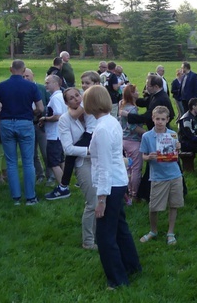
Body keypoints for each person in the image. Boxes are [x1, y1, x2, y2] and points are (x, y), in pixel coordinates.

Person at [83, 85, 141, 289]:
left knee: (105, 235)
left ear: (90, 104)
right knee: (119, 227)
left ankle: (117, 279)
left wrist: (101, 199)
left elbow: (105, 167)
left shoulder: (103, 128)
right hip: (117, 181)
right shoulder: (110, 122)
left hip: (111, 185)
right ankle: (132, 265)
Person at [0, 60, 44, 205]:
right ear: (24, 70)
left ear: (10, 69)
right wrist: (30, 113)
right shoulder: (31, 86)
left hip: (6, 123)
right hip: (25, 122)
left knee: (11, 161)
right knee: (28, 161)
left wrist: (3, 114)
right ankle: (30, 197)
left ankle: (15, 198)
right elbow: (40, 107)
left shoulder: (1, 86)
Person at [49, 71, 101, 200]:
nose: (84, 86)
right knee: (71, 155)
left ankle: (64, 186)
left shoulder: (89, 98)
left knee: (71, 155)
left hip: (94, 133)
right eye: (82, 83)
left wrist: (73, 108)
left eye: (87, 83)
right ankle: (64, 185)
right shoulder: (89, 97)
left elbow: (73, 115)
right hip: (90, 135)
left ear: (96, 84)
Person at [58, 87, 97, 250]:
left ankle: (100, 234)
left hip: (100, 161)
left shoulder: (90, 112)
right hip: (83, 163)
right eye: (71, 98)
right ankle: (88, 241)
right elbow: (68, 149)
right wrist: (89, 151)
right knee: (92, 202)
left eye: (77, 95)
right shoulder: (65, 120)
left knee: (104, 199)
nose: (76, 99)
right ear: (66, 103)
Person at [139, 105, 184, 245]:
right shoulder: (147, 136)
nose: (159, 122)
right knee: (154, 207)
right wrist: (149, 157)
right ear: (152, 118)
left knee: (174, 204)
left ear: (167, 120)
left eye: (162, 119)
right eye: (157, 119)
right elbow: (143, 156)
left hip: (175, 174)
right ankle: (153, 230)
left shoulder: (172, 134)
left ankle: (171, 232)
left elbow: (176, 155)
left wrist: (178, 148)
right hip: (158, 176)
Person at [40, 75, 67, 200]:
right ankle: (64, 182)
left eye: (48, 82)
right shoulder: (61, 96)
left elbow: (57, 116)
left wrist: (44, 118)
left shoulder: (56, 98)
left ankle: (63, 188)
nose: (45, 85)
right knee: (61, 160)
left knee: (54, 162)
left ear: (56, 83)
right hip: (60, 134)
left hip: (54, 135)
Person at [23, 68, 52, 185]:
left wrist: (40, 112)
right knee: (32, 153)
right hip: (27, 124)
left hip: (41, 124)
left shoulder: (41, 88)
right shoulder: (21, 90)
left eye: (27, 76)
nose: (25, 78)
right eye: (23, 76)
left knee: (45, 151)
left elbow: (50, 105)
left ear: (32, 75)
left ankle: (51, 175)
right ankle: (39, 175)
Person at [119, 85, 146, 199]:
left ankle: (128, 191)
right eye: (136, 91)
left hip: (124, 140)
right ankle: (134, 193)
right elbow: (133, 127)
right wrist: (146, 133)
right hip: (134, 141)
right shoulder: (133, 109)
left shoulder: (123, 105)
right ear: (132, 94)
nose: (138, 92)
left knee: (128, 168)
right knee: (136, 168)